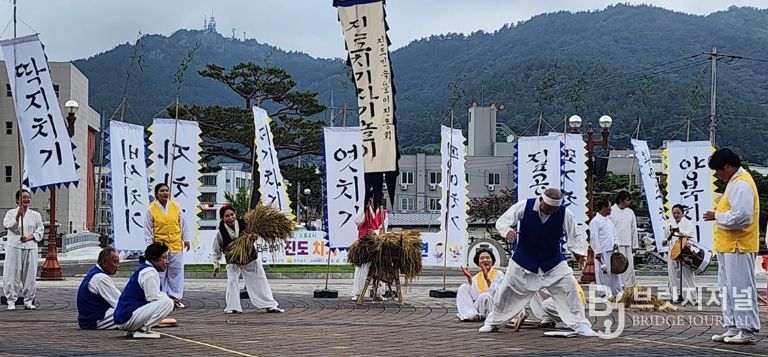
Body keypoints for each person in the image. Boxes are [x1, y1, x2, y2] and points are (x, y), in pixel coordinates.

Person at [479, 188, 596, 336]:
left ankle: (580, 324)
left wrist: (579, 254)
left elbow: (574, 234)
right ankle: (493, 322)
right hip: (524, 261)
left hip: (552, 262)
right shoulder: (524, 206)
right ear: (541, 200)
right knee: (505, 292)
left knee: (570, 287)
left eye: (554, 209)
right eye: (548, 208)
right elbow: (503, 221)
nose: (551, 212)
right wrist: (506, 230)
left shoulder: (564, 213)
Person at [704, 148, 760, 344]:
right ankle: (733, 326)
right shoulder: (734, 182)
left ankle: (747, 329)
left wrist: (716, 216)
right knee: (727, 288)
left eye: (718, 171)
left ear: (727, 166)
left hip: (739, 245)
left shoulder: (742, 184)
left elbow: (743, 217)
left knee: (741, 288)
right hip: (728, 245)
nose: (718, 175)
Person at [212, 205, 284, 314]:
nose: (230, 218)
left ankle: (270, 305)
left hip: (249, 257)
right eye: (227, 216)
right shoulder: (220, 232)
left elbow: (254, 236)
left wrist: (253, 237)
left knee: (260, 279)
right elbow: (216, 249)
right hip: (233, 260)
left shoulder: (245, 225)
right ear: (223, 218)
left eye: (232, 215)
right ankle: (233, 307)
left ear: (235, 215)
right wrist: (216, 265)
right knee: (232, 281)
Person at [114, 243, 175, 339]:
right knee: (168, 303)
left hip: (125, 317)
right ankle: (142, 330)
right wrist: (170, 300)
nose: (167, 262)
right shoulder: (149, 272)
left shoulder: (146, 269)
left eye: (167, 258)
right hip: (127, 317)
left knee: (167, 301)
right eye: (164, 257)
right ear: (155, 258)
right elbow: (152, 297)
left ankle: (137, 329)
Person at [144, 183, 190, 308]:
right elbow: (148, 230)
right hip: (160, 247)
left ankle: (176, 297)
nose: (165, 193)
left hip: (175, 244)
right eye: (162, 191)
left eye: (167, 191)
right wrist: (150, 247)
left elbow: (183, 223)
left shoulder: (175, 206)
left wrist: (186, 239)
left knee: (176, 271)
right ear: (156, 194)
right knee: (161, 273)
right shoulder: (151, 209)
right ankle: (162, 298)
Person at [3, 189, 44, 310]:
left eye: (28, 197)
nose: (26, 200)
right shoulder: (10, 213)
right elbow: (10, 226)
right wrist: (17, 216)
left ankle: (28, 300)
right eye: (23, 198)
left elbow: (40, 230)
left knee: (30, 273)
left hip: (30, 246)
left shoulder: (36, 215)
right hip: (15, 247)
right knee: (12, 273)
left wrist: (29, 237)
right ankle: (11, 300)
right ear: (17, 200)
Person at [351, 196, 388, 301]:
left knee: (380, 267)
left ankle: (378, 292)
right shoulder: (363, 209)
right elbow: (358, 221)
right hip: (364, 244)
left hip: (377, 243)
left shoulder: (383, 212)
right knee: (362, 267)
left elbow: (383, 228)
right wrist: (364, 208)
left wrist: (376, 233)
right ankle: (358, 293)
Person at [76, 247, 122, 329]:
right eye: (115, 262)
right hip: (95, 319)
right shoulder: (100, 278)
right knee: (134, 313)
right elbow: (119, 302)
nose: (117, 266)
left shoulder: (94, 273)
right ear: (104, 263)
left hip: (88, 319)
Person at [456, 249, 504, 321]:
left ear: (492, 260)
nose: (485, 260)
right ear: (478, 262)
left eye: (488, 258)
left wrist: (487, 278)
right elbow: (475, 296)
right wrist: (469, 278)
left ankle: (487, 317)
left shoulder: (499, 274)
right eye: (482, 258)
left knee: (485, 295)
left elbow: (498, 293)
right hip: (479, 307)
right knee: (463, 287)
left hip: (493, 307)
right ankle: (470, 314)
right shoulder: (476, 277)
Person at [663, 204, 697, 303]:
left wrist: (680, 231)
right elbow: (666, 238)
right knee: (673, 274)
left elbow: (690, 235)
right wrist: (665, 241)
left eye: (678, 213)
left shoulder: (688, 223)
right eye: (674, 213)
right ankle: (675, 296)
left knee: (686, 274)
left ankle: (690, 296)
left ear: (682, 213)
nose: (676, 215)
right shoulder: (669, 224)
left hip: (685, 251)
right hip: (672, 252)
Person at [590, 199, 622, 300]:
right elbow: (594, 238)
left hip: (612, 251)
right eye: (609, 207)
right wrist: (597, 251)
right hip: (602, 251)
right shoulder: (595, 221)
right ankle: (604, 293)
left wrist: (616, 243)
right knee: (603, 273)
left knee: (615, 272)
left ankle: (617, 291)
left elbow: (615, 234)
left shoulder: (609, 221)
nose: (610, 209)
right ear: (604, 207)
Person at [608, 190, 638, 288]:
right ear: (621, 200)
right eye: (627, 200)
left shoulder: (630, 212)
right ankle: (617, 288)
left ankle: (629, 287)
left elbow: (634, 229)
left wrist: (635, 245)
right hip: (615, 245)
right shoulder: (611, 211)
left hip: (628, 244)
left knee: (628, 267)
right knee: (617, 267)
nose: (628, 203)